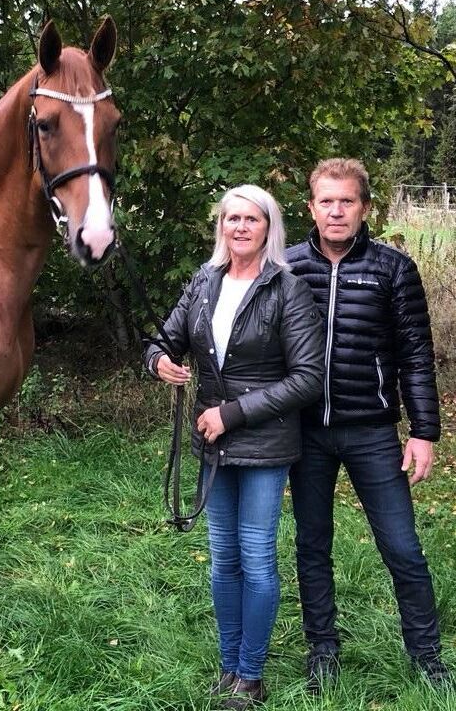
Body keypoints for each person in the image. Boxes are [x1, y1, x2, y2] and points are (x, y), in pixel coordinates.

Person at [145, 185, 324, 708]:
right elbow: (165, 337)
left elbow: (308, 377)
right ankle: (229, 665)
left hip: (264, 444)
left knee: (256, 556)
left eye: (252, 219)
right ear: (220, 226)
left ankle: (251, 673)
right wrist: (158, 360)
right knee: (222, 557)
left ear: (269, 228)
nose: (240, 227)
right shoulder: (205, 281)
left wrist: (233, 413)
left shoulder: (287, 289)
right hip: (212, 441)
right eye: (231, 219)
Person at [287, 157, 450, 691]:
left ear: (364, 208)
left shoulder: (393, 269)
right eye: (326, 201)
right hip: (305, 433)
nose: (336, 212)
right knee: (312, 545)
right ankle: (323, 651)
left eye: (347, 201)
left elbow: (416, 354)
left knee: (402, 547)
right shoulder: (285, 267)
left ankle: (427, 659)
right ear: (310, 207)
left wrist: (424, 431)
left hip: (372, 431)